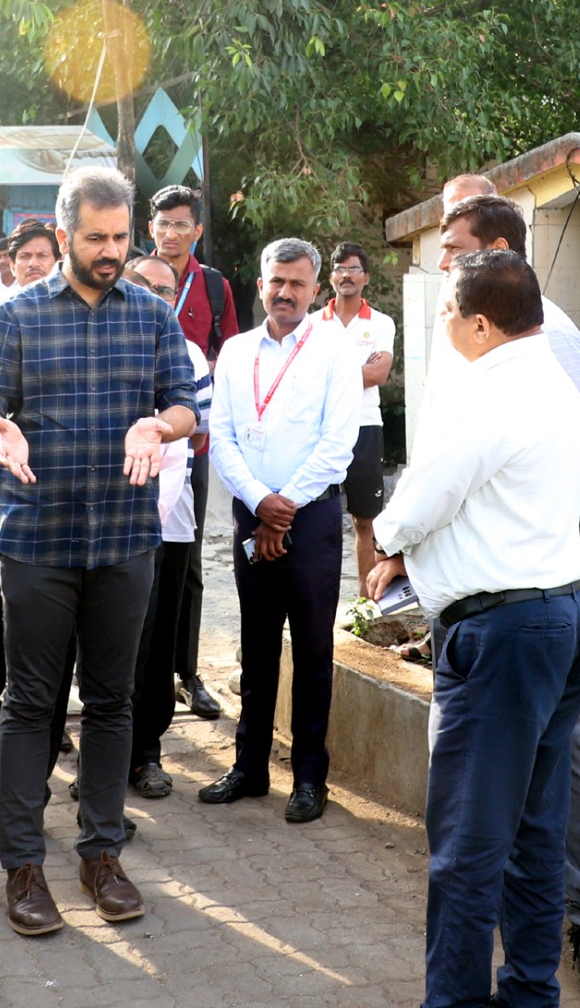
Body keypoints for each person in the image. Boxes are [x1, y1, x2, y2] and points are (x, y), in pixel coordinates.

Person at [0, 166, 196, 937]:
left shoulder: (153, 316)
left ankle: (102, 851)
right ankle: (23, 864)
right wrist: (1, 432)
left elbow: (184, 406)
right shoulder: (16, 316)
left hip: (126, 536)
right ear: (63, 235)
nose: (109, 250)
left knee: (114, 699)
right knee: (31, 703)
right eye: (95, 237)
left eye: (119, 237)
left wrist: (155, 428)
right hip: (35, 536)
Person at [369, 248, 580, 1008]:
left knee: (467, 850)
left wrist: (389, 540)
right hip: (559, 616)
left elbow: (422, 500)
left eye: (445, 314)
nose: (441, 326)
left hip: (503, 639)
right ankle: (530, 994)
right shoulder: (552, 376)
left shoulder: (491, 392)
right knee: (533, 837)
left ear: (477, 324)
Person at [434, 185, 580, 1006]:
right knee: (525, 798)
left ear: (500, 256)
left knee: (558, 781)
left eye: (457, 248)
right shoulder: (479, 338)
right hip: (501, 596)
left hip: (538, 600)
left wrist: (575, 542)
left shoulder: (553, 344)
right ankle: (527, 972)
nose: (444, 262)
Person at [200, 238, 360, 824]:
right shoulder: (238, 351)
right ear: (261, 284)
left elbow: (337, 444)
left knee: (313, 649)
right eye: (276, 281)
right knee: (258, 643)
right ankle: (249, 767)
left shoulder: (335, 351)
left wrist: (284, 505)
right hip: (253, 512)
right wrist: (260, 503)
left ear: (315, 289)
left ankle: (310, 778)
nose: (285, 292)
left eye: (297, 283)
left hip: (310, 517)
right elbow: (223, 438)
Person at [0, 219, 65, 755]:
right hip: (7, 479)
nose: (32, 263)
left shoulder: (75, 317)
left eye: (41, 254)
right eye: (23, 255)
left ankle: (44, 720)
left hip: (64, 485)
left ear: (57, 257)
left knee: (57, 613)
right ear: (10, 261)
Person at [147, 184, 238, 721]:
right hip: (134, 444)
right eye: (164, 224)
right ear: (152, 228)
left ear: (197, 230)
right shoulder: (137, 279)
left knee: (188, 559)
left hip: (192, 443)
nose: (172, 233)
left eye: (182, 224)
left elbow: (230, 355)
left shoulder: (214, 286)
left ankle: (186, 671)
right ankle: (130, 674)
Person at [123, 255, 213, 798]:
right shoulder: (105, 342)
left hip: (170, 522)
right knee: (114, 646)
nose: (158, 296)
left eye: (167, 289)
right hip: (114, 520)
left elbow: (197, 432)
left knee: (156, 643)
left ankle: (146, 755)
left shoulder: (190, 354)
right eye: (146, 286)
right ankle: (103, 760)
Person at [318, 241, 396, 590]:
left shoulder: (381, 323)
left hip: (365, 428)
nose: (345, 275)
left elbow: (378, 376)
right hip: (321, 429)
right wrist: (356, 372)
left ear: (365, 277)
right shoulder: (312, 323)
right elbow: (302, 380)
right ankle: (319, 599)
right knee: (319, 521)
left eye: (353, 269)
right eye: (339, 268)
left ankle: (368, 602)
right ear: (331, 276)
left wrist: (329, 376)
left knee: (366, 523)